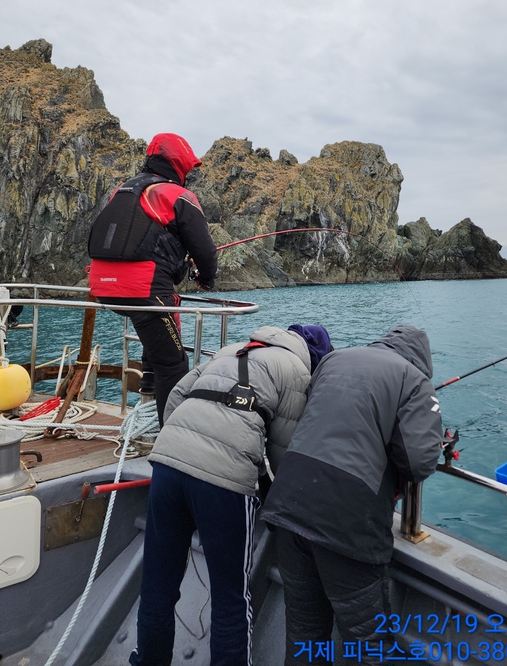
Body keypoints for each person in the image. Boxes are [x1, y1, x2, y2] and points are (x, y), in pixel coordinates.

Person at [129, 323, 332, 666]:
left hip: (167, 464)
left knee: (157, 586)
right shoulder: (297, 371)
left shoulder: (231, 350)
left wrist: (182, 445)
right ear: (314, 358)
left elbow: (176, 395)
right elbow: (284, 451)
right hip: (224, 480)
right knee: (230, 598)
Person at [261, 324, 443, 663]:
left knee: (304, 632)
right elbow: (419, 461)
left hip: (287, 503)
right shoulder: (415, 380)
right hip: (346, 521)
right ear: (422, 360)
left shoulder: (334, 359)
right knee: (368, 643)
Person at [87, 132, 218, 425]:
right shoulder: (177, 195)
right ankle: (169, 437)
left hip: (102, 286)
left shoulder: (123, 190)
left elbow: (145, 240)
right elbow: (205, 251)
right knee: (173, 364)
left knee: (156, 335)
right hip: (143, 290)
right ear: (179, 164)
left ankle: (148, 385)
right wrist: (206, 279)